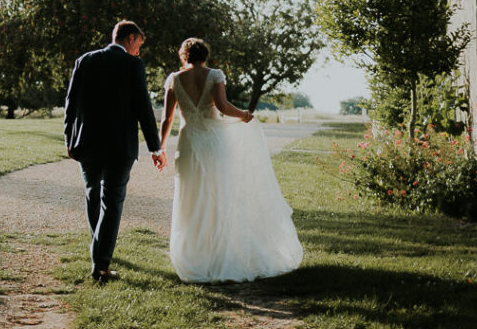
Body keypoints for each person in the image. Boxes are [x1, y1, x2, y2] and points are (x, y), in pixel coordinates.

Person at [159, 37, 303, 283]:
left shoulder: (174, 79)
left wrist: (159, 148)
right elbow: (223, 106)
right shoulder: (215, 75)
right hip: (214, 143)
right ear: (205, 54)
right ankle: (219, 254)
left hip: (188, 143)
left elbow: (167, 119)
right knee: (218, 197)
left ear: (184, 56)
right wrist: (245, 115)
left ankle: (195, 256)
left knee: (191, 198)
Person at [65, 19, 167, 283]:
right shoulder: (133, 65)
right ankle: (100, 265)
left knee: (92, 195)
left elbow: (71, 102)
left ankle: (100, 251)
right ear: (130, 38)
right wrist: (155, 147)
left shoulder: (84, 60)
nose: (139, 52)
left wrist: (69, 140)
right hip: (120, 146)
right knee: (112, 203)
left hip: (86, 143)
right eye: (139, 45)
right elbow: (144, 107)